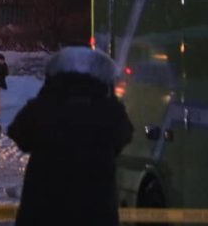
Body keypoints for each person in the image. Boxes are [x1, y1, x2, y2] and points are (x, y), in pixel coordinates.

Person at [7, 46, 133, 226]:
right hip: (95, 211)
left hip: (43, 210)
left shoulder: (43, 107)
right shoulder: (109, 111)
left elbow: (19, 134)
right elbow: (124, 137)